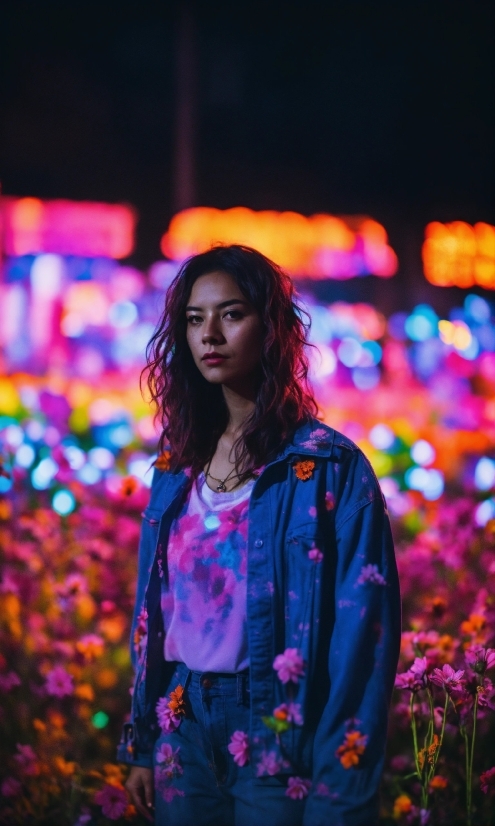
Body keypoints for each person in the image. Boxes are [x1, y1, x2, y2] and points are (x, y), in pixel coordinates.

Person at [118, 244, 401, 826]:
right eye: (194, 319)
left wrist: (341, 791)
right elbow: (154, 614)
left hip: (276, 729)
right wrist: (144, 740)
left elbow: (363, 641)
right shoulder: (177, 469)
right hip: (183, 727)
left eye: (232, 313)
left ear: (270, 328)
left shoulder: (330, 467)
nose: (210, 335)